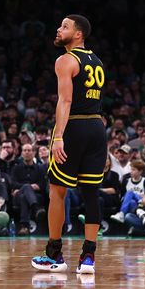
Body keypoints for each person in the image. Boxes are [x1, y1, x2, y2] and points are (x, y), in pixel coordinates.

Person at [32, 15, 105, 275]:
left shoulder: (65, 60)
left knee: (57, 192)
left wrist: (59, 136)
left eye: (64, 26)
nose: (58, 29)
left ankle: (55, 255)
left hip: (74, 127)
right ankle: (88, 258)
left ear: (78, 35)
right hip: (97, 127)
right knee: (91, 193)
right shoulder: (96, 61)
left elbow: (65, 101)